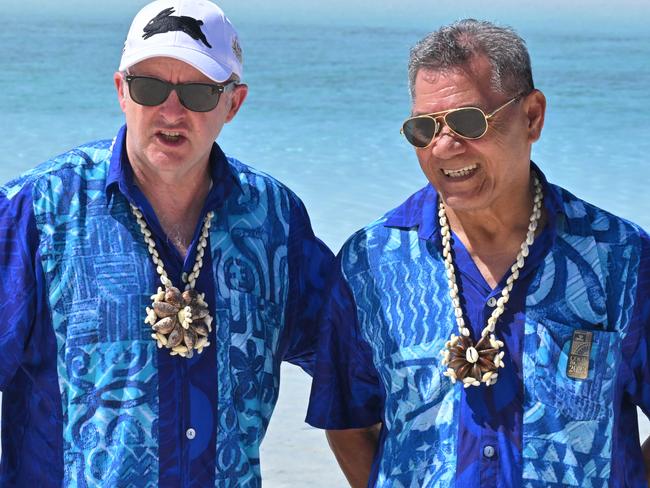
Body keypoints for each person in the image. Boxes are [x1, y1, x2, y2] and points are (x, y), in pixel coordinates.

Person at [0, 0, 333, 485]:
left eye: (198, 92)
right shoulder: (39, 210)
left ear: (232, 103)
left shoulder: (274, 220)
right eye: (150, 87)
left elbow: (352, 362)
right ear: (121, 92)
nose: (171, 111)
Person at [306, 19, 650, 487]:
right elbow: (347, 421)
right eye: (423, 129)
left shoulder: (620, 259)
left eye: (469, 122)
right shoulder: (371, 262)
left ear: (532, 117)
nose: (444, 146)